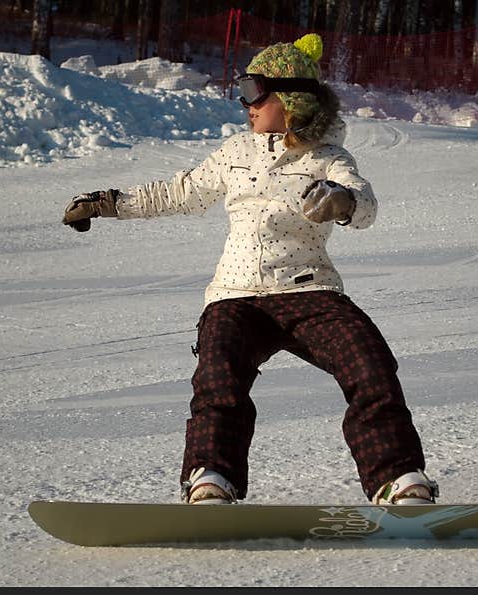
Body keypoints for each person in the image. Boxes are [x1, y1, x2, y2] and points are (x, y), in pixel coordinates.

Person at [63, 34, 437, 506]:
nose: (245, 103)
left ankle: (399, 479)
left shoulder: (329, 159)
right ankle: (210, 480)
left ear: (290, 98)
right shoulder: (237, 152)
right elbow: (179, 192)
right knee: (218, 382)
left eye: (254, 90)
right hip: (235, 296)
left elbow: (366, 208)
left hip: (310, 291)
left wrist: (342, 201)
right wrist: (108, 203)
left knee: (371, 365)